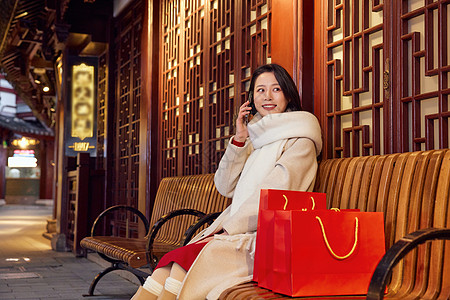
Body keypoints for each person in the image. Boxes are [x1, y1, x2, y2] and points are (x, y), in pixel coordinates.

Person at [131, 63, 322, 300]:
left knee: (181, 268)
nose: (268, 97)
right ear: (251, 98)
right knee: (165, 269)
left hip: (267, 240)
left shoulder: (300, 139)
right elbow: (224, 186)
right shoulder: (256, 138)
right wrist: (240, 140)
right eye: (260, 90)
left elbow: (275, 196)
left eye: (276, 89)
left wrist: (226, 229)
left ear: (288, 94)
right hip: (238, 233)